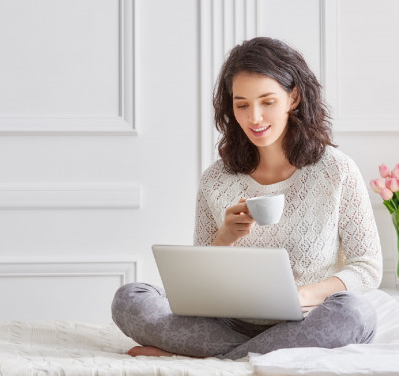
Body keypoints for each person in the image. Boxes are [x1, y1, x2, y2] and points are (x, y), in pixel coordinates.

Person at [111, 37, 382, 359]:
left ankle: (210, 360)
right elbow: (200, 280)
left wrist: (303, 295)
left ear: (293, 97)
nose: (254, 118)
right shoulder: (216, 178)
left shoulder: (335, 170)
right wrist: (223, 238)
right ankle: (248, 356)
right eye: (242, 104)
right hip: (228, 323)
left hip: (307, 320)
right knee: (130, 298)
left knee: (355, 315)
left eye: (267, 101)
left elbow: (367, 267)